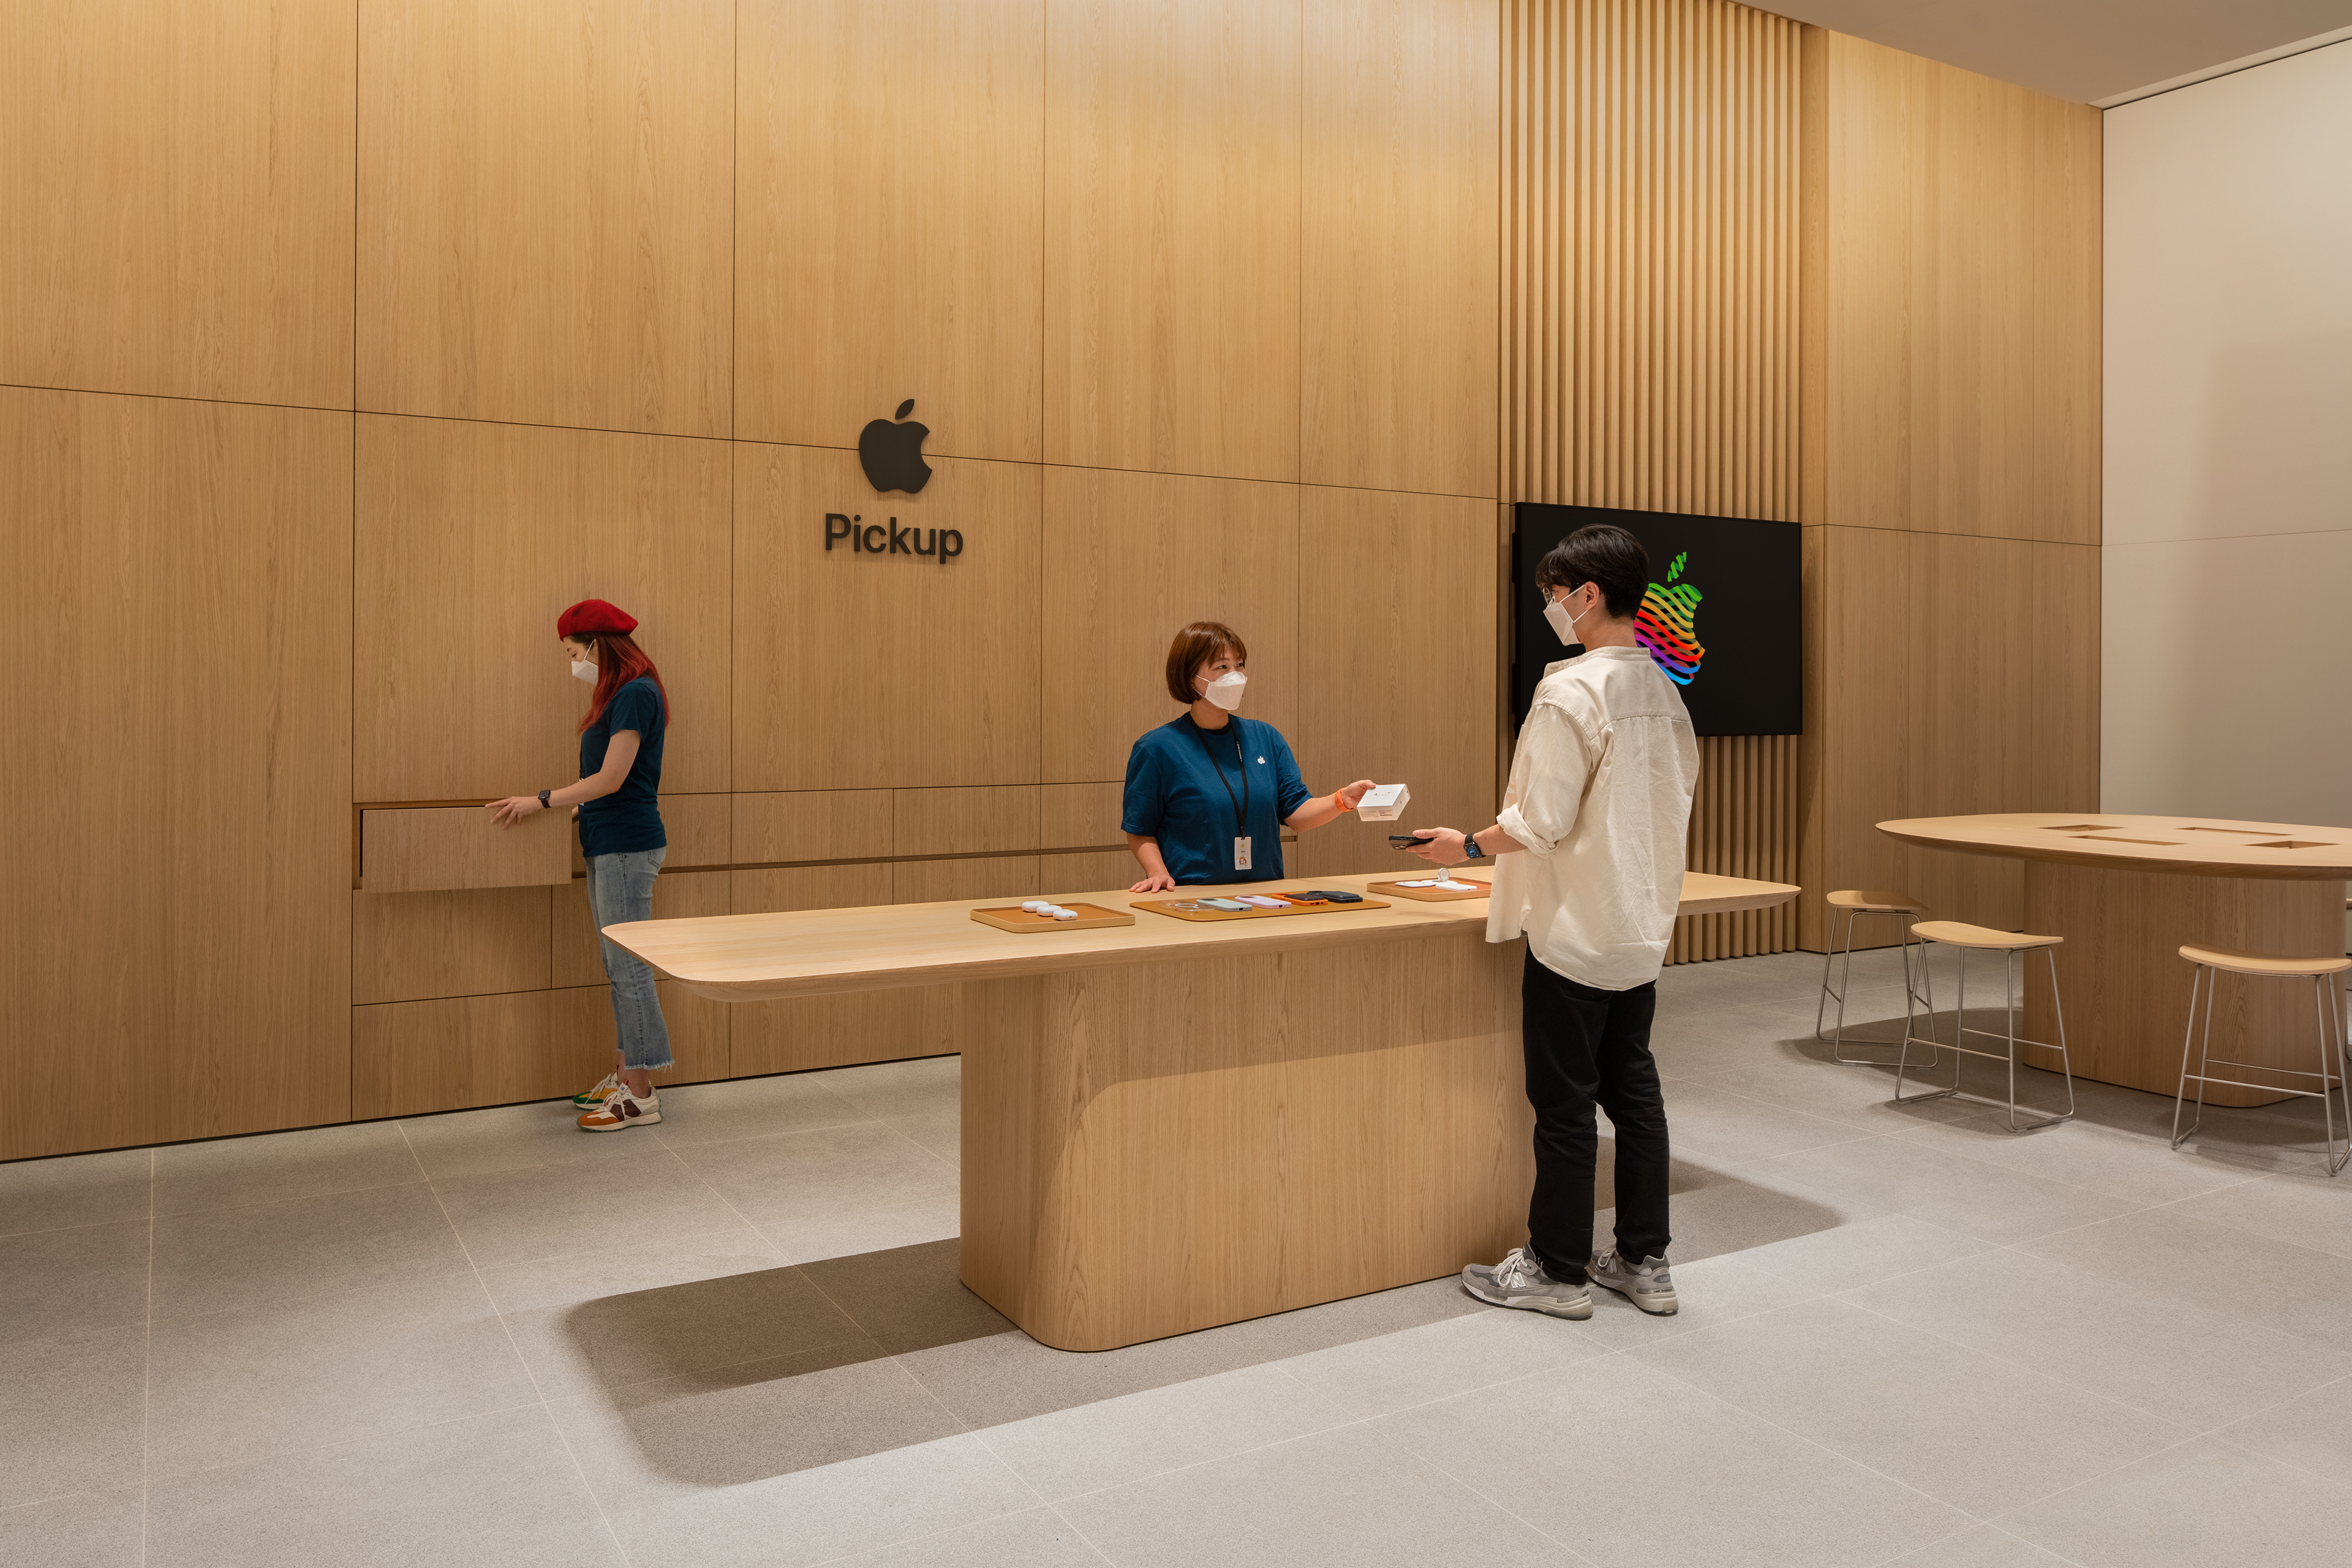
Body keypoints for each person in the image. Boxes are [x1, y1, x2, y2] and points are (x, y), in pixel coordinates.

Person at [1406, 524, 1698, 1319]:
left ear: (1588, 595)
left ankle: (1557, 1270)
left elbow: (1540, 821)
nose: (1552, 609)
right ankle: (1644, 1261)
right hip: (1640, 929)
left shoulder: (1572, 691)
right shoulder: (1666, 692)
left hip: (1574, 933)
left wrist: (1465, 845)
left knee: (1565, 1106)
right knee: (1636, 1098)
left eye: (1554, 596)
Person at [488, 598, 674, 1133]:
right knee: (619, 967)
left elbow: (612, 779)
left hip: (626, 845)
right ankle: (627, 1076)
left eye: (574, 653)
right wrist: (574, 810)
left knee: (629, 969)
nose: (572, 663)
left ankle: (639, 1096)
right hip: (607, 840)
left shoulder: (635, 693)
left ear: (598, 647)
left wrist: (543, 800)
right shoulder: (620, 693)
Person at [1122, 620, 1376, 891]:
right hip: (1192, 897)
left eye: (1239, 665)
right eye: (1222, 667)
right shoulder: (1157, 748)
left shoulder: (1265, 737)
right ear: (1189, 677)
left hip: (1266, 895)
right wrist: (1158, 873)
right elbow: (1139, 829)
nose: (1235, 676)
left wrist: (1342, 800)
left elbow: (1296, 814)